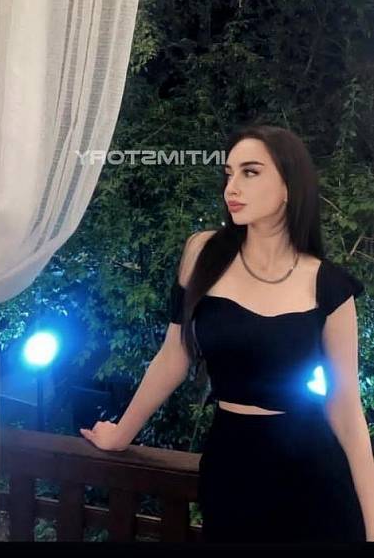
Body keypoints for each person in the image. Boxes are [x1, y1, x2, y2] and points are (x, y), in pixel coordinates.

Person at [79, 124, 372, 543]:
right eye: (229, 173)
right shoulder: (203, 253)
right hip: (231, 463)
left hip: (315, 473)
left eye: (250, 172)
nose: (232, 187)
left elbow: (345, 409)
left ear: (288, 186)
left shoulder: (330, 285)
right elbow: (174, 355)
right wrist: (122, 433)